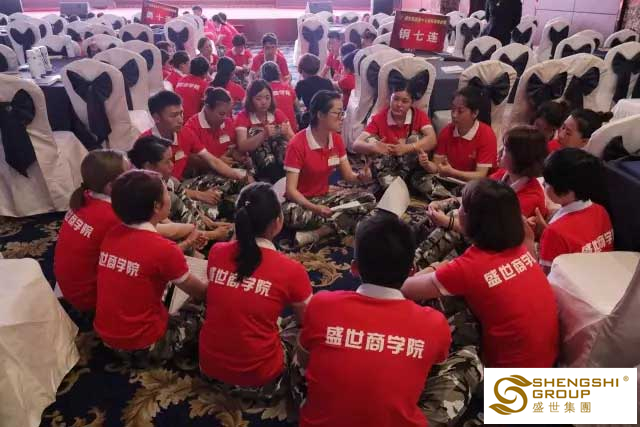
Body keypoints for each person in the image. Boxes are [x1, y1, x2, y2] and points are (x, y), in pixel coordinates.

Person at [298, 213, 451, 427]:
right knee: (470, 357)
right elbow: (436, 361)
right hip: (502, 359)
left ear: (354, 268)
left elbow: (305, 357)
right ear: (411, 271)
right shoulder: (435, 322)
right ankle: (501, 414)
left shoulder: (321, 303)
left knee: (305, 337)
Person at [402, 178, 559, 368]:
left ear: (470, 218)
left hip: (507, 376)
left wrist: (435, 268)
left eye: (462, 207)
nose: (458, 210)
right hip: (546, 361)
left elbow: (404, 289)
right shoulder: (522, 248)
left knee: (428, 303)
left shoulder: (469, 267)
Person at [199, 183, 312, 400]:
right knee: (309, 327)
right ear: (278, 222)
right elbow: (308, 322)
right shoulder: (291, 270)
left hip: (209, 371)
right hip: (262, 381)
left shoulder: (216, 252)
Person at [94, 170, 208, 366]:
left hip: (107, 338)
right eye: (166, 192)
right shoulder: (163, 249)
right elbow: (202, 293)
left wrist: (187, 243)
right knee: (210, 301)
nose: (170, 196)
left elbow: (149, 260)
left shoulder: (112, 234)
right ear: (156, 206)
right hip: (145, 345)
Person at [283, 90, 376, 246]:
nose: (342, 118)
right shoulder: (297, 144)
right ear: (320, 115)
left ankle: (319, 233)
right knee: (289, 215)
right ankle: (342, 223)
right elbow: (291, 191)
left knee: (368, 199)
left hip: (325, 197)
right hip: (301, 203)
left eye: (342, 113)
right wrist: (315, 208)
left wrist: (361, 176)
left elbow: (348, 176)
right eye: (337, 113)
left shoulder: (337, 140)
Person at [54, 150, 130, 313]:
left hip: (69, 287)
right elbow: (147, 239)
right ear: (111, 186)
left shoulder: (85, 196)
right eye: (129, 174)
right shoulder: (113, 215)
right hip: (89, 299)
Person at [128, 136, 234, 241]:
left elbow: (189, 205)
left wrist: (211, 224)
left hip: (198, 232)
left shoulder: (170, 181)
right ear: (149, 166)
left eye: (172, 160)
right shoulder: (146, 195)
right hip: (184, 240)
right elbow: (172, 230)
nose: (172, 165)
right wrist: (213, 235)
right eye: (167, 161)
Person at [532, 148, 613, 273]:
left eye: (547, 182)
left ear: (566, 191)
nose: (543, 184)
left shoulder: (555, 232)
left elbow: (545, 276)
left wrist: (529, 241)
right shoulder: (601, 211)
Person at [144, 91, 246, 184]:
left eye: (181, 113)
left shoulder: (186, 133)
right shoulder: (145, 144)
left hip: (179, 185)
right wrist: (196, 194)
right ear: (156, 117)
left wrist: (240, 177)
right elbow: (155, 185)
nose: (180, 120)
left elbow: (213, 161)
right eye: (173, 116)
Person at [353, 79, 437, 192]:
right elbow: (356, 144)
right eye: (395, 99)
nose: (399, 104)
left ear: (411, 102)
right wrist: (374, 147)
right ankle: (395, 187)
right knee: (371, 140)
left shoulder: (419, 115)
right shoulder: (379, 118)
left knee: (415, 139)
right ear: (390, 98)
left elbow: (432, 139)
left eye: (405, 101)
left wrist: (407, 148)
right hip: (389, 169)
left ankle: (410, 184)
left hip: (413, 169)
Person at [420, 86, 498, 182]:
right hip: (452, 182)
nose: (454, 115)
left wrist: (453, 172)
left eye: (460, 111)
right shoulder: (447, 131)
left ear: (475, 113)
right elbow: (437, 167)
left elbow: (480, 175)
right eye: (453, 109)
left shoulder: (486, 135)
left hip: (478, 186)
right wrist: (427, 164)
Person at [235, 79, 295, 183]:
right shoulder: (243, 116)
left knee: (284, 147)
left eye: (267, 98)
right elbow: (242, 146)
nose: (264, 102)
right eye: (258, 98)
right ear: (250, 99)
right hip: (257, 162)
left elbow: (294, 140)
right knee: (259, 138)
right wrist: (263, 135)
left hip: (280, 161)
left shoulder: (277, 113)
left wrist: (286, 134)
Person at [261, 60, 298, 132]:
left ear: (263, 76)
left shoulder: (263, 91)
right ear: (279, 74)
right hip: (292, 129)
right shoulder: (288, 88)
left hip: (273, 132)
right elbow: (297, 108)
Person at [175, 56, 210, 121]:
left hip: (177, 119)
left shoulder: (181, 80)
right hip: (191, 122)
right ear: (205, 72)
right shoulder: (204, 85)